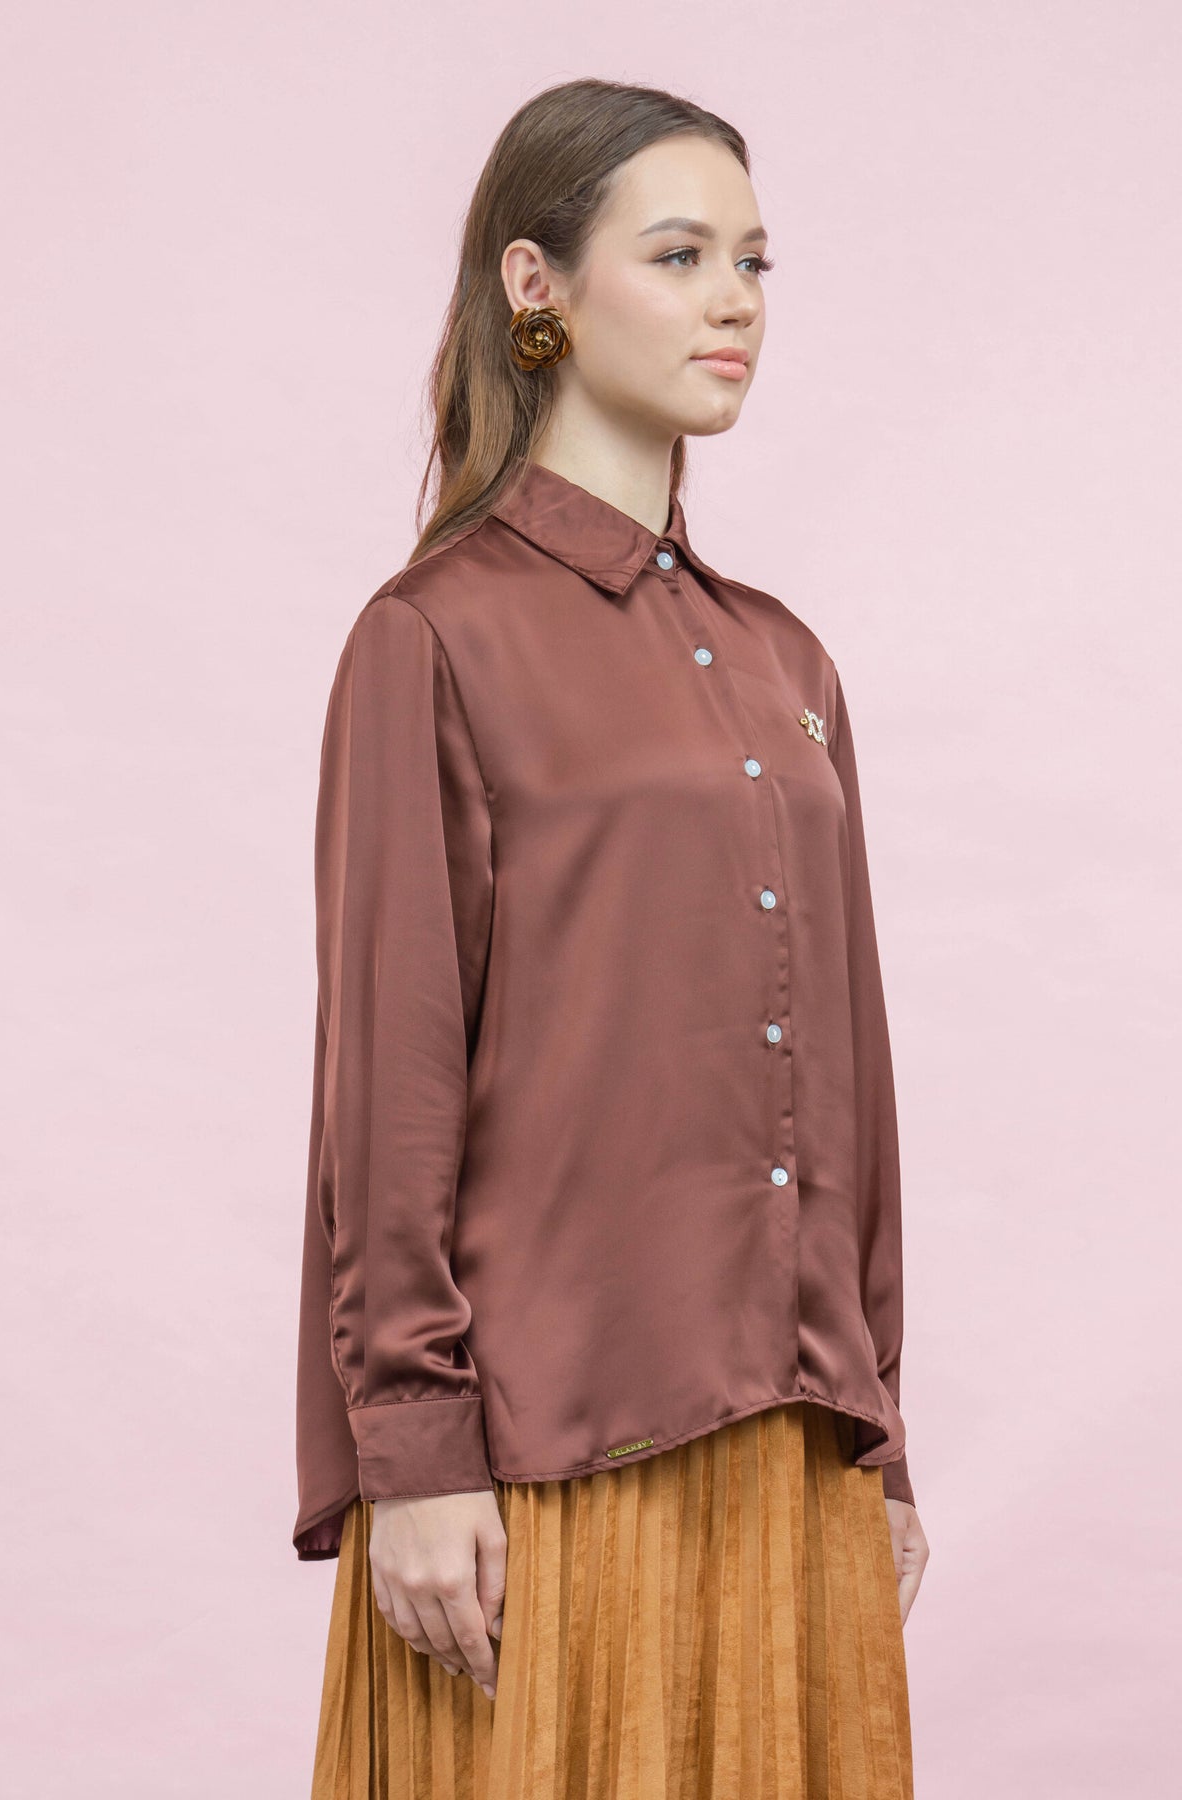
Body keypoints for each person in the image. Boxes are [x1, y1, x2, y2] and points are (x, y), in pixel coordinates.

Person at [295, 75, 930, 1799]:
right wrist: (413, 1451)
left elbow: (851, 1072)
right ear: (539, 286)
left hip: (792, 1442)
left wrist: (879, 1432)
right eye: (680, 254)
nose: (738, 301)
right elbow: (391, 1081)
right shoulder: (434, 637)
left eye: (755, 260)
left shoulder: (789, 663)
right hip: (547, 1458)